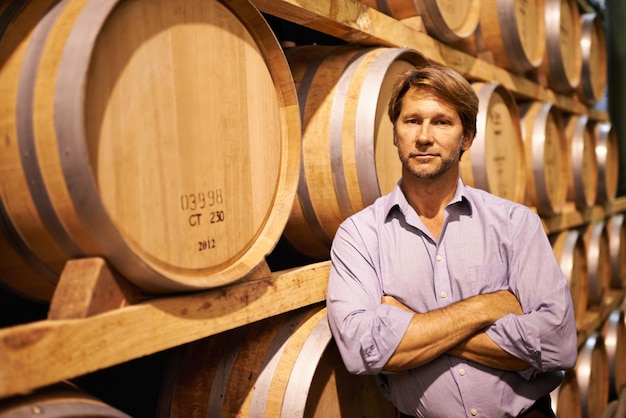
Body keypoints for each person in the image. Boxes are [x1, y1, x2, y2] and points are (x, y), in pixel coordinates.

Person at [325, 64, 578, 418]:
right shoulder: (360, 235)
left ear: (467, 138)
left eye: (442, 122)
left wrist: (409, 324)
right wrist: (485, 308)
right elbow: (359, 349)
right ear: (395, 132)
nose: (424, 136)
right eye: (412, 121)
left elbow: (557, 344)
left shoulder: (515, 223)